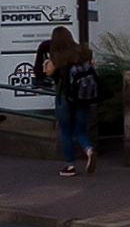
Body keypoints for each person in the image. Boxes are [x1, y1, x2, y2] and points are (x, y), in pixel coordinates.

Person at [36, 26, 98, 175]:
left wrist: (46, 63)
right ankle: (89, 150)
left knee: (66, 131)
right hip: (84, 96)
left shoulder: (57, 55)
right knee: (80, 129)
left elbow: (48, 73)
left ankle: (70, 166)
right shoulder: (85, 52)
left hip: (64, 95)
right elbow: (94, 70)